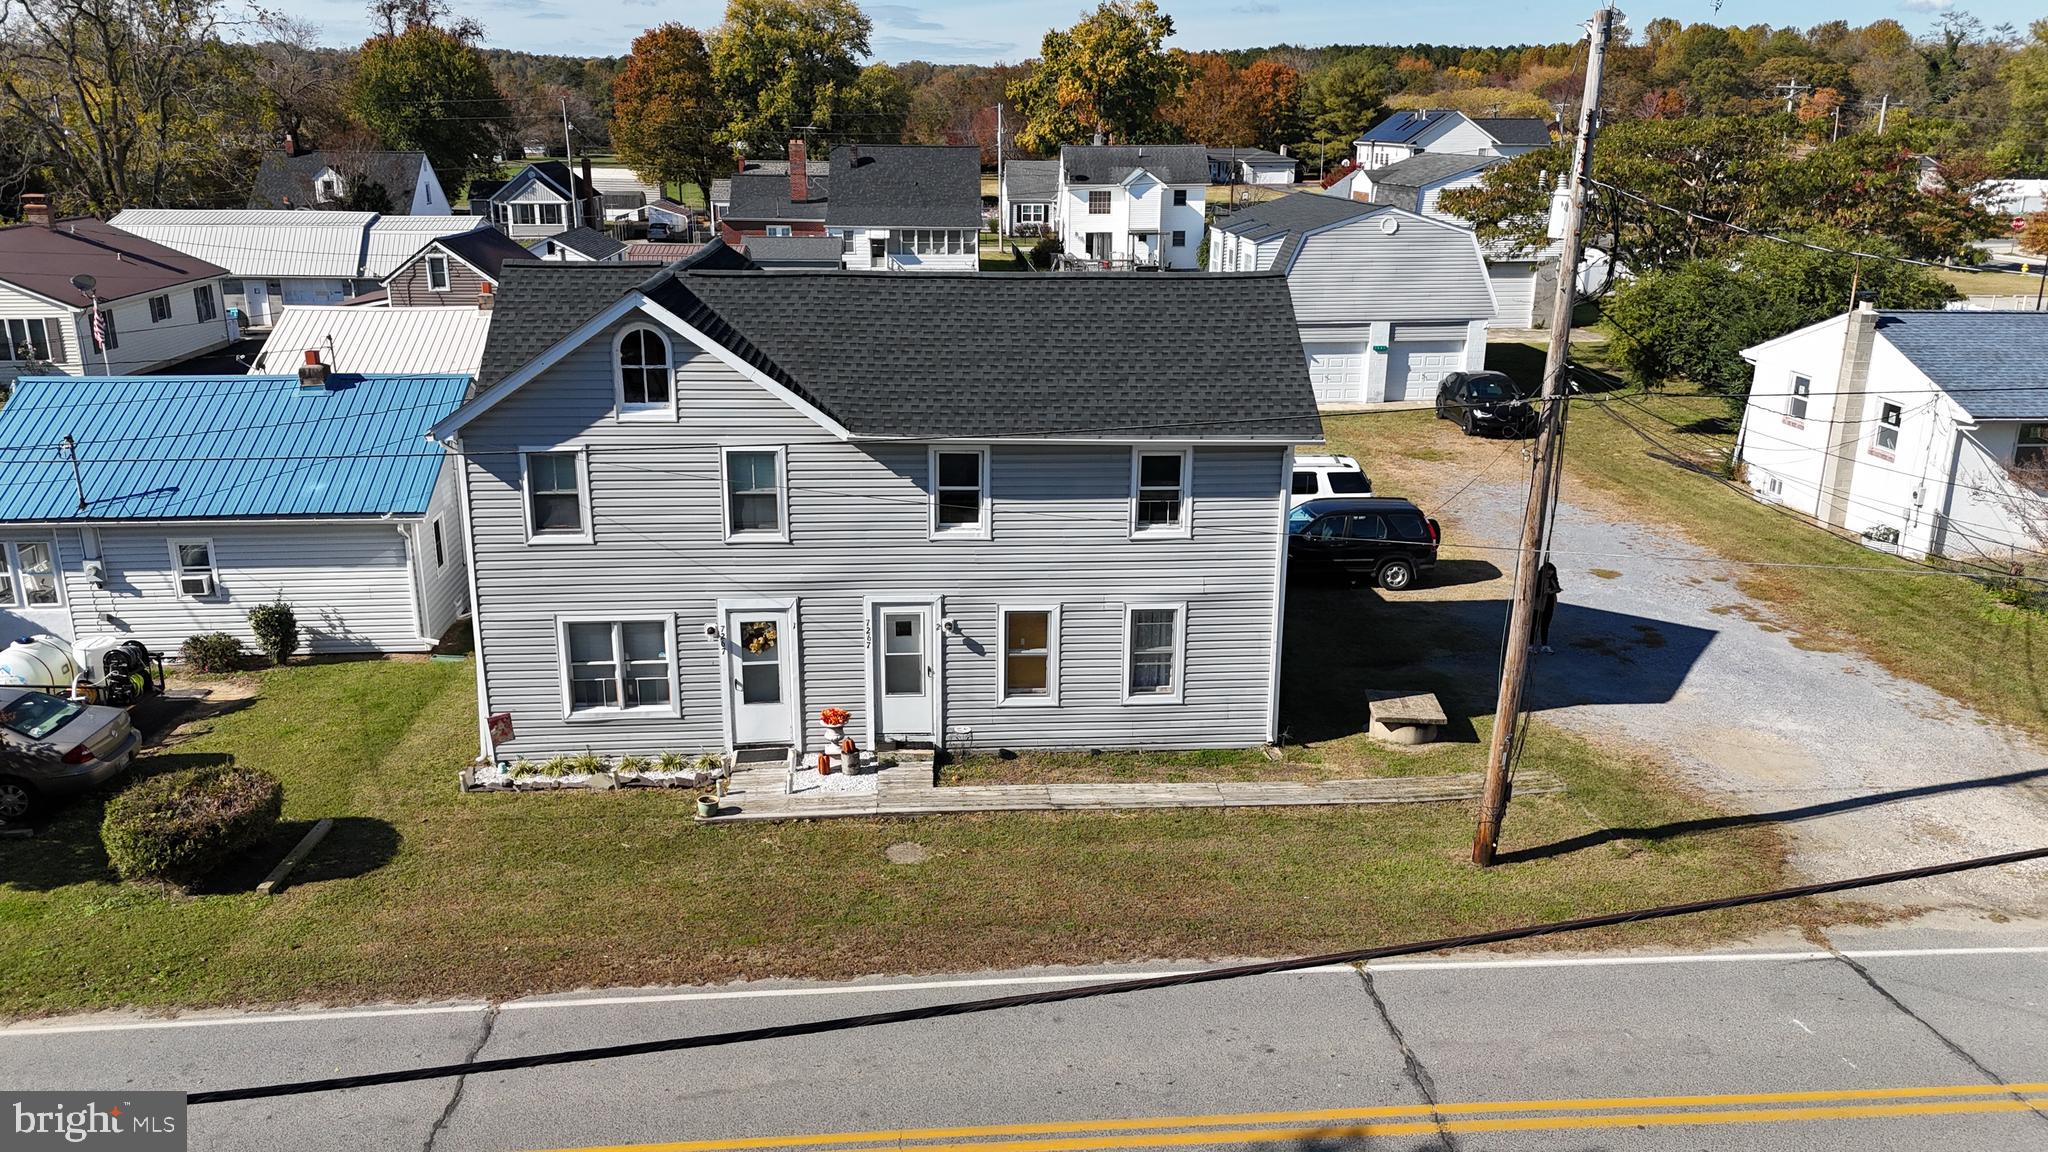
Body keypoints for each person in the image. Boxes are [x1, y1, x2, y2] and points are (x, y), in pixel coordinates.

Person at [1533, 560, 1562, 654]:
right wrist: (1545, 592)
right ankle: (1530, 644)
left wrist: (1554, 590)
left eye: (1551, 572)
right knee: (1534, 625)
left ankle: (1544, 644)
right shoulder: (1538, 578)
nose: (1549, 574)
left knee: (1545, 625)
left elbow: (1557, 587)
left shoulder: (1552, 579)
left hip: (1549, 605)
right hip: (1538, 606)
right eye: (1548, 572)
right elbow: (1535, 592)